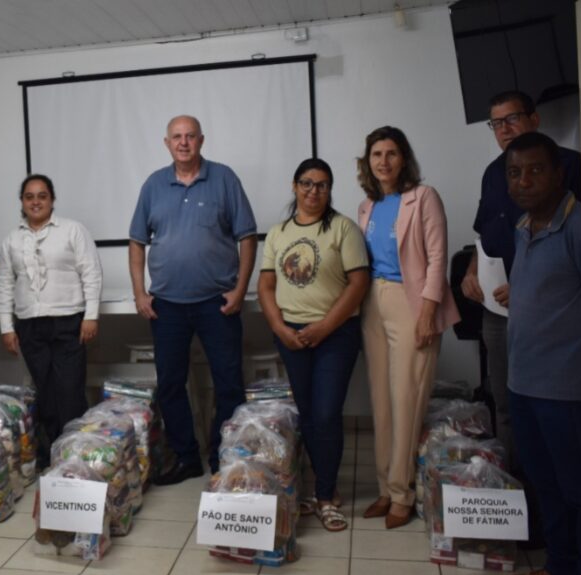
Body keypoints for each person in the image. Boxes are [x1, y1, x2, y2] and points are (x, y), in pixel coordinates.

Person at [129, 115, 258, 484]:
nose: (183, 142)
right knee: (171, 384)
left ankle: (224, 456)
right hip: (167, 305)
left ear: (201, 140)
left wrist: (240, 289)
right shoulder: (154, 185)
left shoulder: (224, 178)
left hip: (217, 303)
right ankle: (186, 458)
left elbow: (247, 237)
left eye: (190, 136)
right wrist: (140, 292)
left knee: (228, 381)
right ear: (167, 143)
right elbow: (136, 241)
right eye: (177, 137)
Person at [460, 90, 581, 465]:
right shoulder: (492, 174)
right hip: (497, 310)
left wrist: (526, 286)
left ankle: (554, 487)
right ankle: (518, 482)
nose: (504, 129)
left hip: (549, 313)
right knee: (506, 401)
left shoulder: (570, 165)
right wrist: (471, 269)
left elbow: (572, 241)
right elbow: (486, 233)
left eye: (512, 119)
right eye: (496, 123)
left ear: (534, 119)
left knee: (554, 406)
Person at [500, 132, 581, 575]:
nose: (523, 181)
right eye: (514, 172)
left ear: (559, 173)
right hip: (522, 383)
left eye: (535, 170)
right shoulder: (523, 227)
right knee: (546, 484)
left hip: (565, 388)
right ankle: (558, 571)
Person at [356, 126, 461, 528]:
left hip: (411, 302)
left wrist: (427, 313)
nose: (383, 161)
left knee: (406, 400)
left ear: (404, 159)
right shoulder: (367, 205)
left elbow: (437, 258)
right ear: (368, 162)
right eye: (376, 154)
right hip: (373, 302)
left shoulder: (424, 197)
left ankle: (403, 493)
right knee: (381, 401)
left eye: (391, 153)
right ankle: (386, 488)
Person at [257, 158, 370, 532]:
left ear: (329, 190)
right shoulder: (278, 233)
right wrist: (279, 328)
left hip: (335, 334)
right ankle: (314, 488)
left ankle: (326, 496)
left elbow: (358, 283)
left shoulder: (343, 228)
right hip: (291, 335)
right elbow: (266, 285)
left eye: (322, 185)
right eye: (306, 183)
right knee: (306, 413)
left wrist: (323, 327)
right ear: (294, 186)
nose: (313, 190)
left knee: (326, 414)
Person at [0, 174, 102, 468]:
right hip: (29, 324)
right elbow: (4, 284)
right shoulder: (12, 240)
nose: (36, 202)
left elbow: (91, 272)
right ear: (22, 202)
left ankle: (74, 454)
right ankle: (51, 453)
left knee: (70, 390)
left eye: (42, 196)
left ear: (52, 200)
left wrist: (91, 316)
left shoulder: (72, 230)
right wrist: (6, 327)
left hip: (69, 321)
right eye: (29, 197)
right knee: (44, 391)